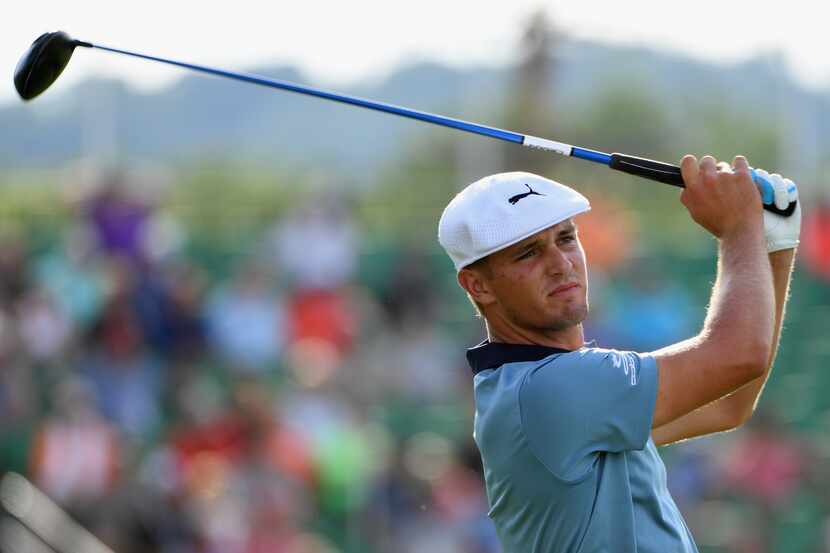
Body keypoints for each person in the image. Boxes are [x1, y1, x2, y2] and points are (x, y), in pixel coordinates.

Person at [437, 155, 800, 553]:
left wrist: (772, 243)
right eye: (528, 254)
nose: (561, 264)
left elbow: (727, 405)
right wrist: (738, 229)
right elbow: (739, 355)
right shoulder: (552, 387)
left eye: (565, 238)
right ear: (478, 285)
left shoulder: (541, 382)